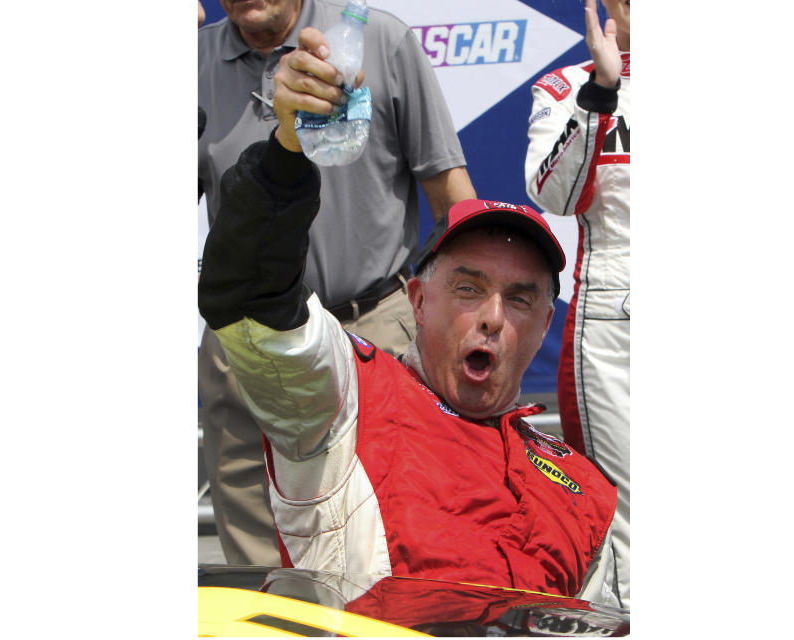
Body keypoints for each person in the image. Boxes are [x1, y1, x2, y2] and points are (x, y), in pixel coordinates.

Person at [197, 26, 619, 603]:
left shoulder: (586, 490)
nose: (493, 316)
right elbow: (253, 298)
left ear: (547, 324)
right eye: (469, 289)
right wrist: (287, 153)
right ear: (419, 302)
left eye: (519, 298)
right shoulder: (346, 403)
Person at [198, 0, 476, 565]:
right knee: (261, 576)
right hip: (245, 347)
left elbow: (451, 194)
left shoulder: (381, 41)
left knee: (399, 553)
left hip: (376, 337)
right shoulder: (189, 62)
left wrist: (472, 319)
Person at [523, 0, 630, 608]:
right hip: (620, 321)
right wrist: (603, 91)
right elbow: (552, 195)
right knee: (630, 518)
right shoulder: (568, 86)